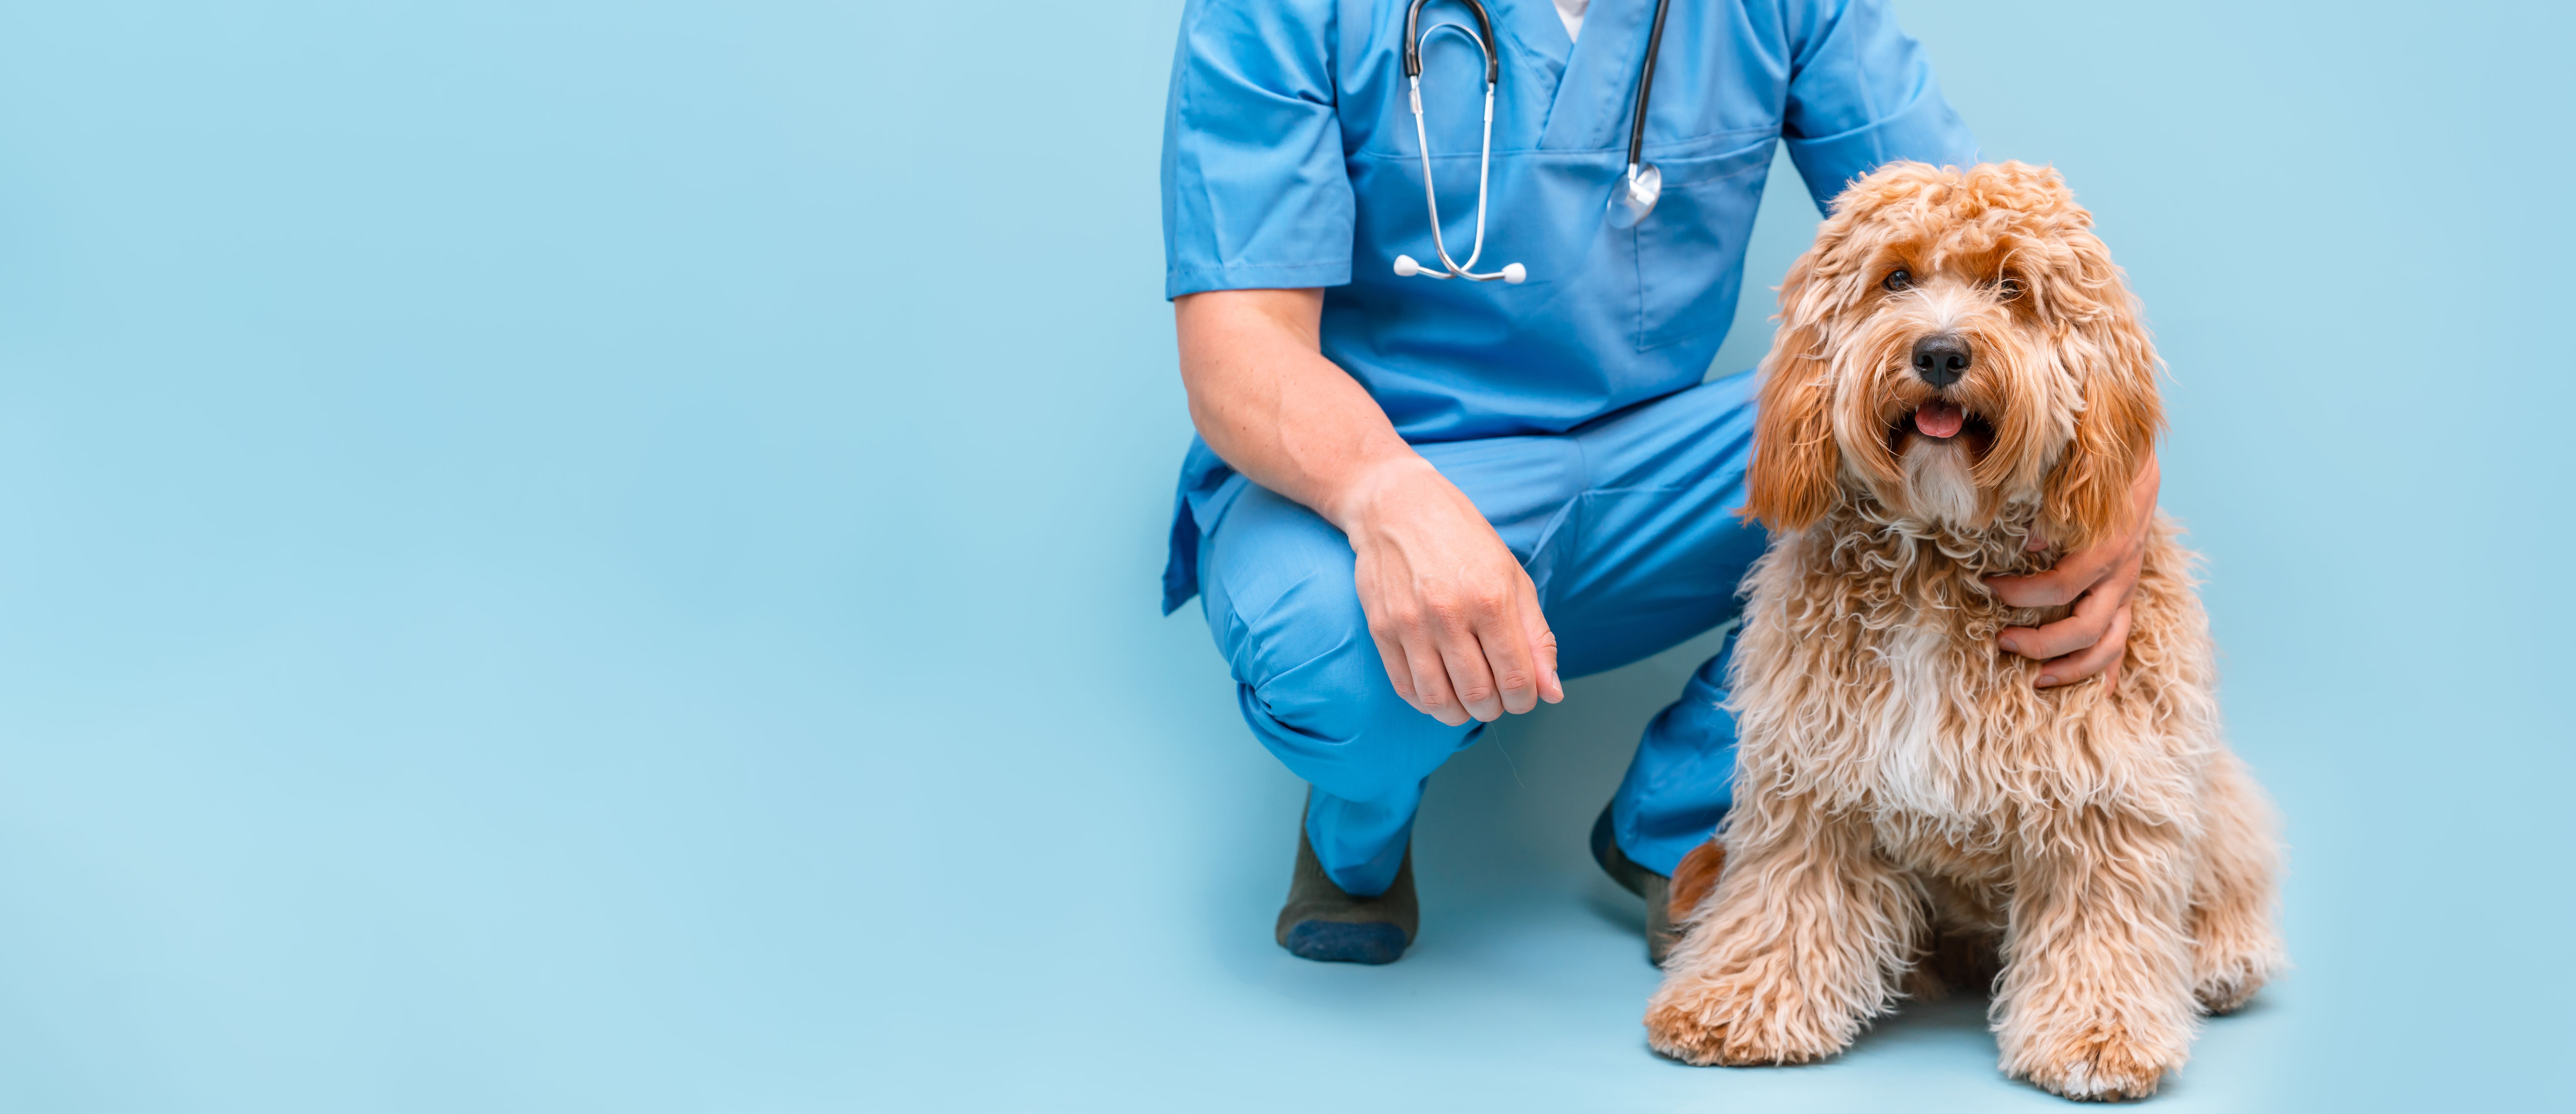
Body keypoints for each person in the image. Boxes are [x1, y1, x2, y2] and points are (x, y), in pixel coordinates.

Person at [1159, 0, 2158, 965]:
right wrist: (1385, 496)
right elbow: (1238, 347)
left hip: (1658, 469)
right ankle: (1360, 822)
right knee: (1328, 656)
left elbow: (1976, 241)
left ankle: (1682, 814)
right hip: (1376, 463)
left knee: (1980, 452)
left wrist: (2125, 485)